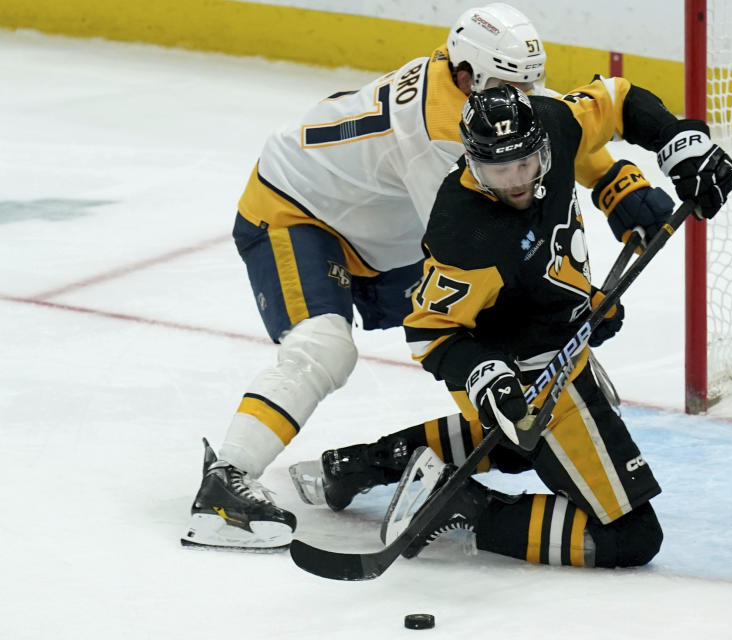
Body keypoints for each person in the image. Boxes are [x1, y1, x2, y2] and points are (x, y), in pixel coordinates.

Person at [182, 3, 618, 551]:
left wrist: (615, 181)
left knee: (506, 346)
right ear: (467, 77)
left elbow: (549, 128)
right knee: (327, 346)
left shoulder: (470, 91)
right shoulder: (439, 139)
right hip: (297, 212)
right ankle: (224, 484)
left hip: (374, 227)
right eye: (511, 85)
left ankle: (361, 466)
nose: (523, 99)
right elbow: (499, 253)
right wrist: (564, 325)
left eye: (528, 84)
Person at [312, 80, 732, 569]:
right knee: (633, 536)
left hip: (554, 340)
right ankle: (465, 505)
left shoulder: (553, 123)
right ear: (472, 161)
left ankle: (367, 462)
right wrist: (488, 378)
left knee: (518, 447)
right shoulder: (464, 232)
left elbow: (617, 99)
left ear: (542, 149)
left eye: (524, 164)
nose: (515, 180)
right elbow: (431, 333)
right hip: (531, 373)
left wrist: (679, 141)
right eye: (497, 167)